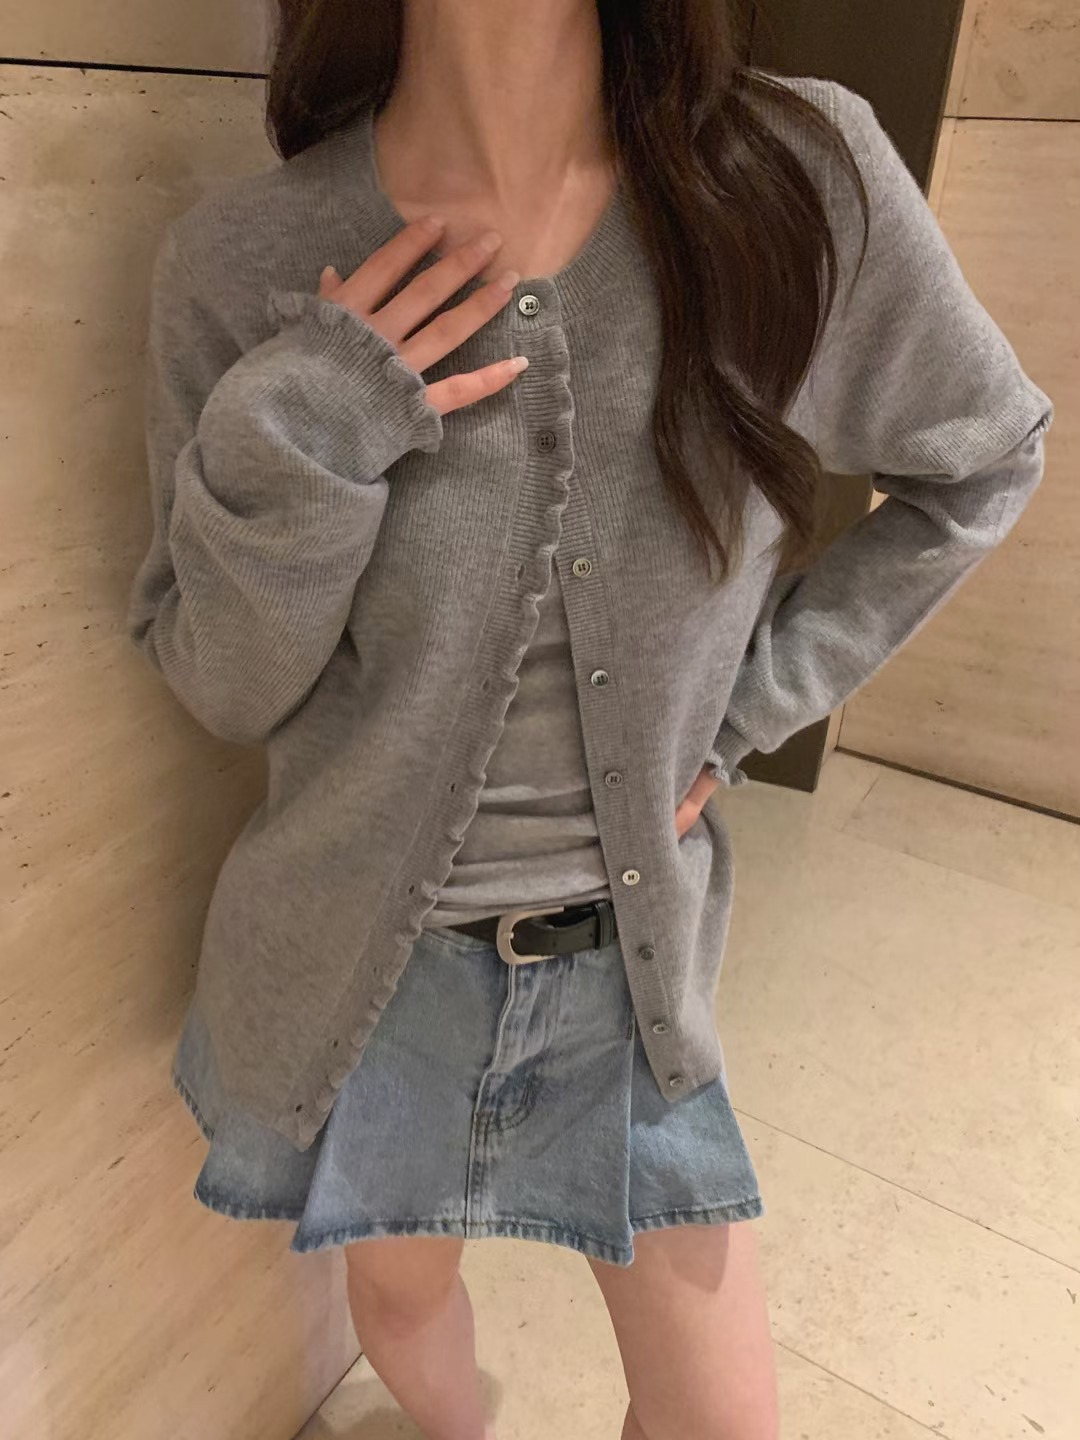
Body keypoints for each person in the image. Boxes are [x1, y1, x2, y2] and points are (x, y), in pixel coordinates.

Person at [126, 2, 1053, 1437]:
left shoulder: (795, 182)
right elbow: (221, 679)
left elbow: (983, 461)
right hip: (359, 976)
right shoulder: (244, 255)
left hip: (633, 971)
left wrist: (748, 709)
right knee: (400, 1310)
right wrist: (310, 423)